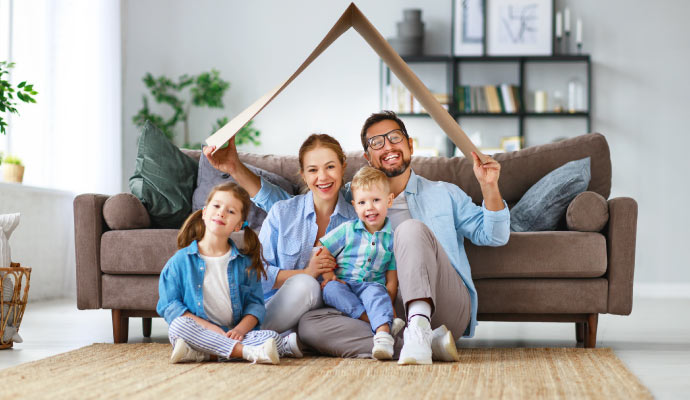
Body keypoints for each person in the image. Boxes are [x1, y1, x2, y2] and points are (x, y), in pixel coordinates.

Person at [204, 134, 358, 334]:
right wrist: (306, 273)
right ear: (303, 175)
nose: (323, 177)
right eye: (313, 170)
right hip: (277, 307)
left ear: (343, 166)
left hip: (324, 316)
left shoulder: (356, 221)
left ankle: (262, 339)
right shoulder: (283, 212)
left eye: (330, 167)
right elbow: (258, 274)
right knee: (306, 285)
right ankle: (245, 336)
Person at [157, 182, 302, 364]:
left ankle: (205, 354)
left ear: (238, 226)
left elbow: (255, 307)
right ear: (204, 212)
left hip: (232, 332)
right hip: (197, 331)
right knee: (178, 327)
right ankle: (247, 352)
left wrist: (240, 330)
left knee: (270, 336)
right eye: (216, 206)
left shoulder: (245, 264)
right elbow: (169, 305)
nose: (221, 213)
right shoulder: (180, 261)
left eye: (231, 211)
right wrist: (209, 328)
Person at [319, 166, 405, 360]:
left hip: (371, 287)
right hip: (345, 285)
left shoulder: (392, 239)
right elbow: (323, 250)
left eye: (376, 200)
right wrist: (329, 277)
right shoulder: (347, 230)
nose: (369, 207)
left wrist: (387, 297)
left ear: (389, 200)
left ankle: (383, 337)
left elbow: (392, 278)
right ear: (355, 206)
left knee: (377, 293)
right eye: (362, 202)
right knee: (330, 289)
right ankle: (378, 320)